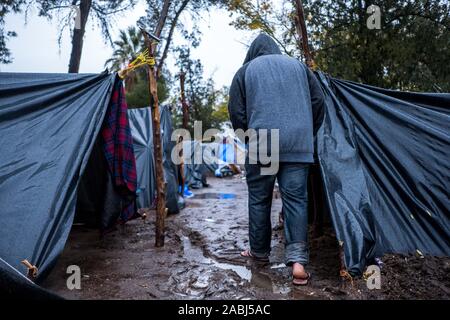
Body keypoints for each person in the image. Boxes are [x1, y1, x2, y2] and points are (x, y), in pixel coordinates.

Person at [228, 33, 325, 285]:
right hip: (298, 144)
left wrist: (250, 139)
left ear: (253, 52)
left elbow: (237, 113)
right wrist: (305, 133)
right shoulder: (300, 67)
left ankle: (259, 253)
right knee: (296, 201)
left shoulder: (245, 71)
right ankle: (298, 263)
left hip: (262, 143)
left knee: (260, 200)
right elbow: (318, 102)